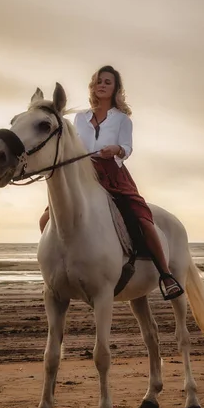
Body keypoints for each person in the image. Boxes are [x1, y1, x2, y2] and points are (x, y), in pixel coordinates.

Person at [39, 65, 184, 300]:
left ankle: (166, 275)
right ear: (93, 86)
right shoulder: (80, 118)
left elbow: (127, 148)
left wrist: (116, 149)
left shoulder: (122, 119)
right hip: (83, 175)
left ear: (115, 88)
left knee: (143, 218)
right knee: (46, 218)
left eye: (108, 82)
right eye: (99, 81)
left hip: (113, 175)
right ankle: (56, 267)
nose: (102, 85)